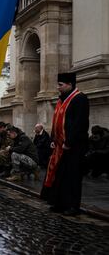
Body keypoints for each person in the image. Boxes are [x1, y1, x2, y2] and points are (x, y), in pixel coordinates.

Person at [41, 72, 89, 216]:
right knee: (59, 176)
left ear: (70, 84)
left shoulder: (80, 99)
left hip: (73, 146)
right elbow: (55, 122)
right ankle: (59, 203)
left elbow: (79, 124)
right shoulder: (62, 99)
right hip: (60, 146)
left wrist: (69, 142)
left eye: (60, 85)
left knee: (72, 177)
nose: (58, 87)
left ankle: (73, 206)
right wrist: (53, 139)